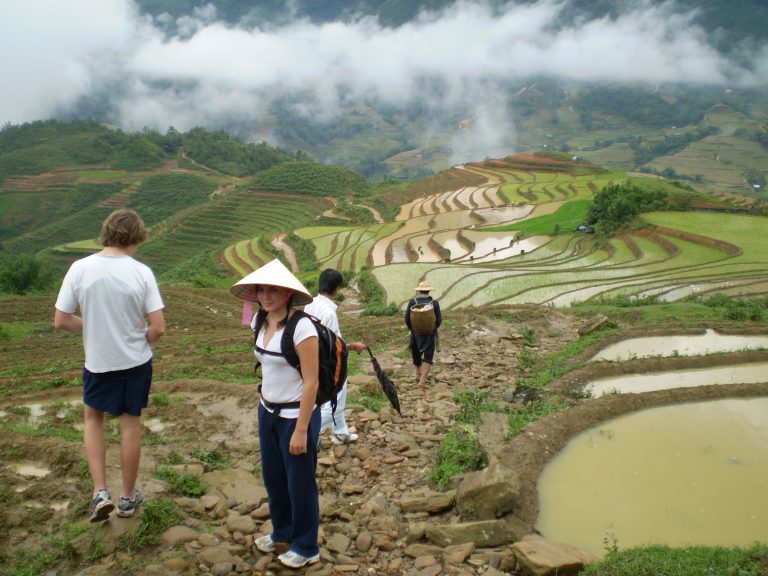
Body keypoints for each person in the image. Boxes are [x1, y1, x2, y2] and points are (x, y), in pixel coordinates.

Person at [53, 209, 165, 523]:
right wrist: (142, 336)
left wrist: (92, 327)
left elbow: (60, 320)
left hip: (98, 361)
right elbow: (158, 327)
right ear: (137, 236)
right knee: (130, 424)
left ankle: (101, 493)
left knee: (93, 419)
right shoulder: (141, 272)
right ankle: (128, 499)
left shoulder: (80, 268)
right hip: (134, 361)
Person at [230, 259, 321, 569]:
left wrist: (300, 429)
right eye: (261, 290)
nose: (266, 295)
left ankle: (307, 546)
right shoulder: (260, 320)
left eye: (273, 290)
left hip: (296, 416)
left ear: (287, 293)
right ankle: (282, 531)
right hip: (267, 411)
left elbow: (312, 382)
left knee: (300, 483)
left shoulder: (302, 327)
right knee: (274, 479)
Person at [303, 268, 366, 445]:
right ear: (337, 288)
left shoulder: (310, 303)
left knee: (335, 401)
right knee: (335, 404)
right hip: (330, 364)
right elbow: (330, 345)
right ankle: (306, 432)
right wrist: (353, 346)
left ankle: (341, 433)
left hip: (314, 360)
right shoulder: (329, 313)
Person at [405, 280, 442, 387]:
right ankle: (422, 380)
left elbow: (407, 318)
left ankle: (418, 373)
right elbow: (439, 320)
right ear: (428, 291)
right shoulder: (434, 303)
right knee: (428, 356)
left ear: (419, 291)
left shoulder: (413, 302)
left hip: (415, 333)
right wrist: (433, 328)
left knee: (416, 354)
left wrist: (412, 328)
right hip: (430, 333)